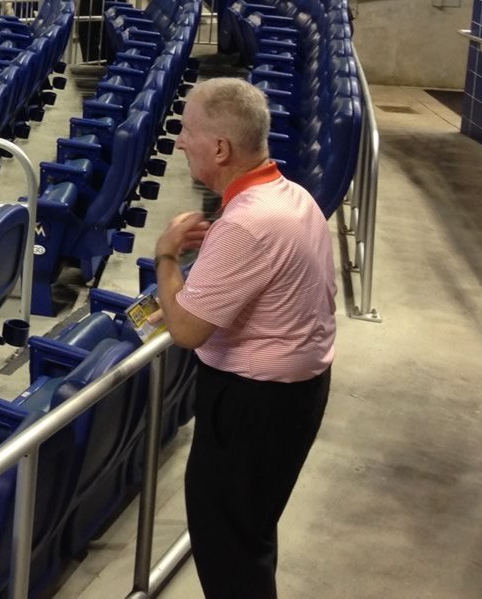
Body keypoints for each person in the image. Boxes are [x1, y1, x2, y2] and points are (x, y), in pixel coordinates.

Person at [150, 78, 336, 599]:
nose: (181, 141)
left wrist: (167, 256)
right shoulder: (292, 197)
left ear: (221, 148)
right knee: (250, 537)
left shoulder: (247, 224)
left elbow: (185, 329)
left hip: (253, 405)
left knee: (228, 550)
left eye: (188, 131)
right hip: (296, 393)